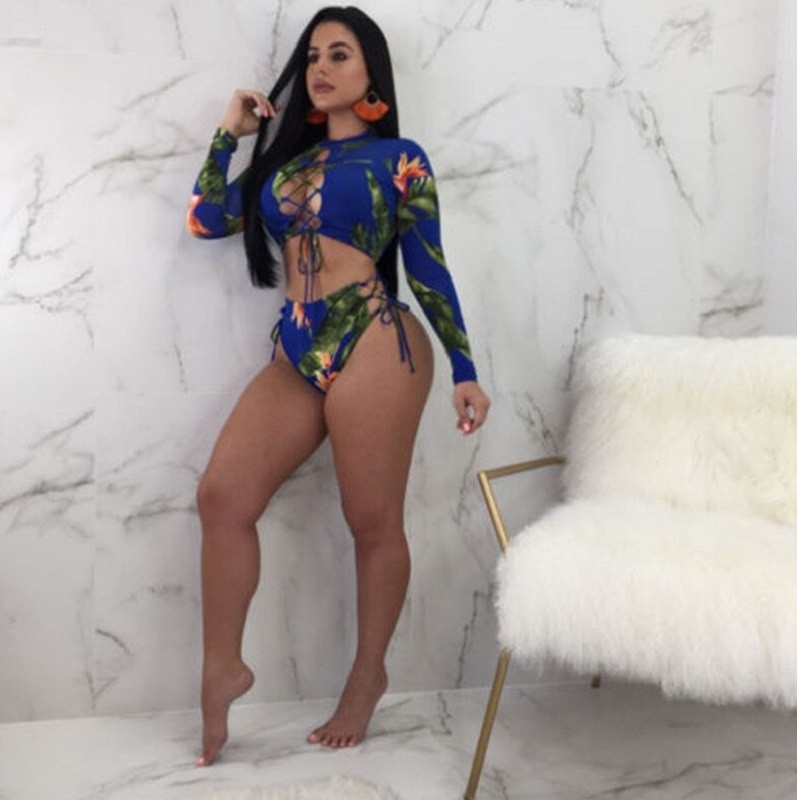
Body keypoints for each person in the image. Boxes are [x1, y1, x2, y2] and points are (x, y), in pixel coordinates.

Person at [186, 5, 491, 766]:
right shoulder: (284, 165)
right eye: (313, 56)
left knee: (370, 520)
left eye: (340, 54)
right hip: (296, 349)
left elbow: (427, 265)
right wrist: (230, 132)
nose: (320, 68)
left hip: (375, 338)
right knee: (222, 498)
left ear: (370, 73)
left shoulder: (400, 159)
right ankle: (222, 666)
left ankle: (366, 676)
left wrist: (464, 369)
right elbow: (204, 219)